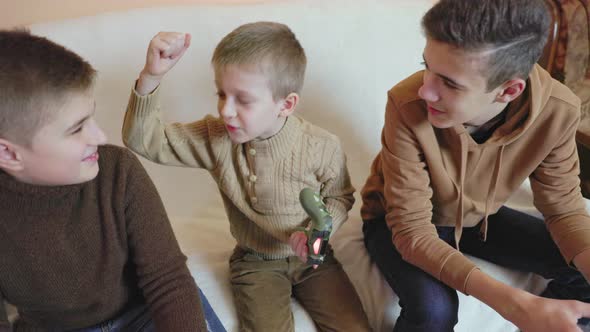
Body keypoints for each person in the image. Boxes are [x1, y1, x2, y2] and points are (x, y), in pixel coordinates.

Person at [121, 22, 372, 331]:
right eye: (221, 94)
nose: (226, 111)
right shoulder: (216, 138)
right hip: (256, 263)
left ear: (286, 104)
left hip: (314, 261)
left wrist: (316, 235)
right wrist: (151, 76)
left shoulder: (322, 146)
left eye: (243, 99)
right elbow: (143, 140)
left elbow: (339, 197)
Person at [360, 0, 590, 331]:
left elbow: (564, 209)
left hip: (476, 219)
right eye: (425, 66)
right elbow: (411, 230)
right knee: (434, 311)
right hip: (395, 221)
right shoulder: (406, 103)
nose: (426, 90)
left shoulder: (559, 111)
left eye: (450, 83)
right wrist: (516, 305)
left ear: (509, 90)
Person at [0, 29, 210, 332]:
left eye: (92, 118)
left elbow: (168, 281)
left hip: (145, 313)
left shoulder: (118, 170)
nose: (100, 137)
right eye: (76, 129)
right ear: (8, 153)